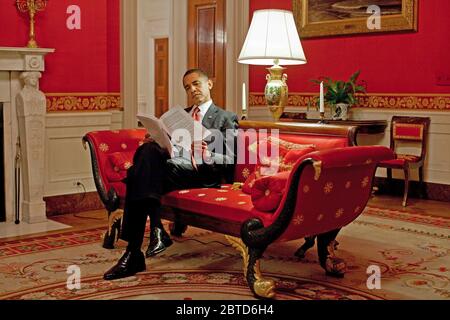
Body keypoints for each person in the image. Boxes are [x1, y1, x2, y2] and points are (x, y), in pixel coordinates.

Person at [104, 68, 239, 280]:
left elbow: (230, 161)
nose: (192, 89)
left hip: (202, 173)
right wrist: (158, 139)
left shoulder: (225, 117)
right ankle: (136, 249)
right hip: (173, 167)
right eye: (187, 87)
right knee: (147, 150)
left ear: (209, 84)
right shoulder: (180, 116)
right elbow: (168, 148)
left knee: (136, 174)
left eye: (196, 84)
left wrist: (208, 154)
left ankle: (147, 238)